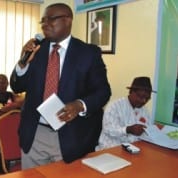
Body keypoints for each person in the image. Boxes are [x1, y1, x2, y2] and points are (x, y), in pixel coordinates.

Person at [10, 3, 111, 169]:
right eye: (43, 20)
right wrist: (22, 63)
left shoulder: (88, 53)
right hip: (35, 134)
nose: (45, 24)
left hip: (71, 136)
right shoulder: (36, 50)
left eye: (51, 19)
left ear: (68, 20)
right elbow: (17, 86)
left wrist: (80, 105)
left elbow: (103, 92)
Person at [96, 76, 155, 151]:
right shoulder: (114, 106)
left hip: (132, 150)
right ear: (132, 92)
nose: (143, 101)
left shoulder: (144, 111)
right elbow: (108, 129)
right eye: (140, 96)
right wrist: (128, 129)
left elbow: (147, 131)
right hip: (110, 149)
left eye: (147, 98)